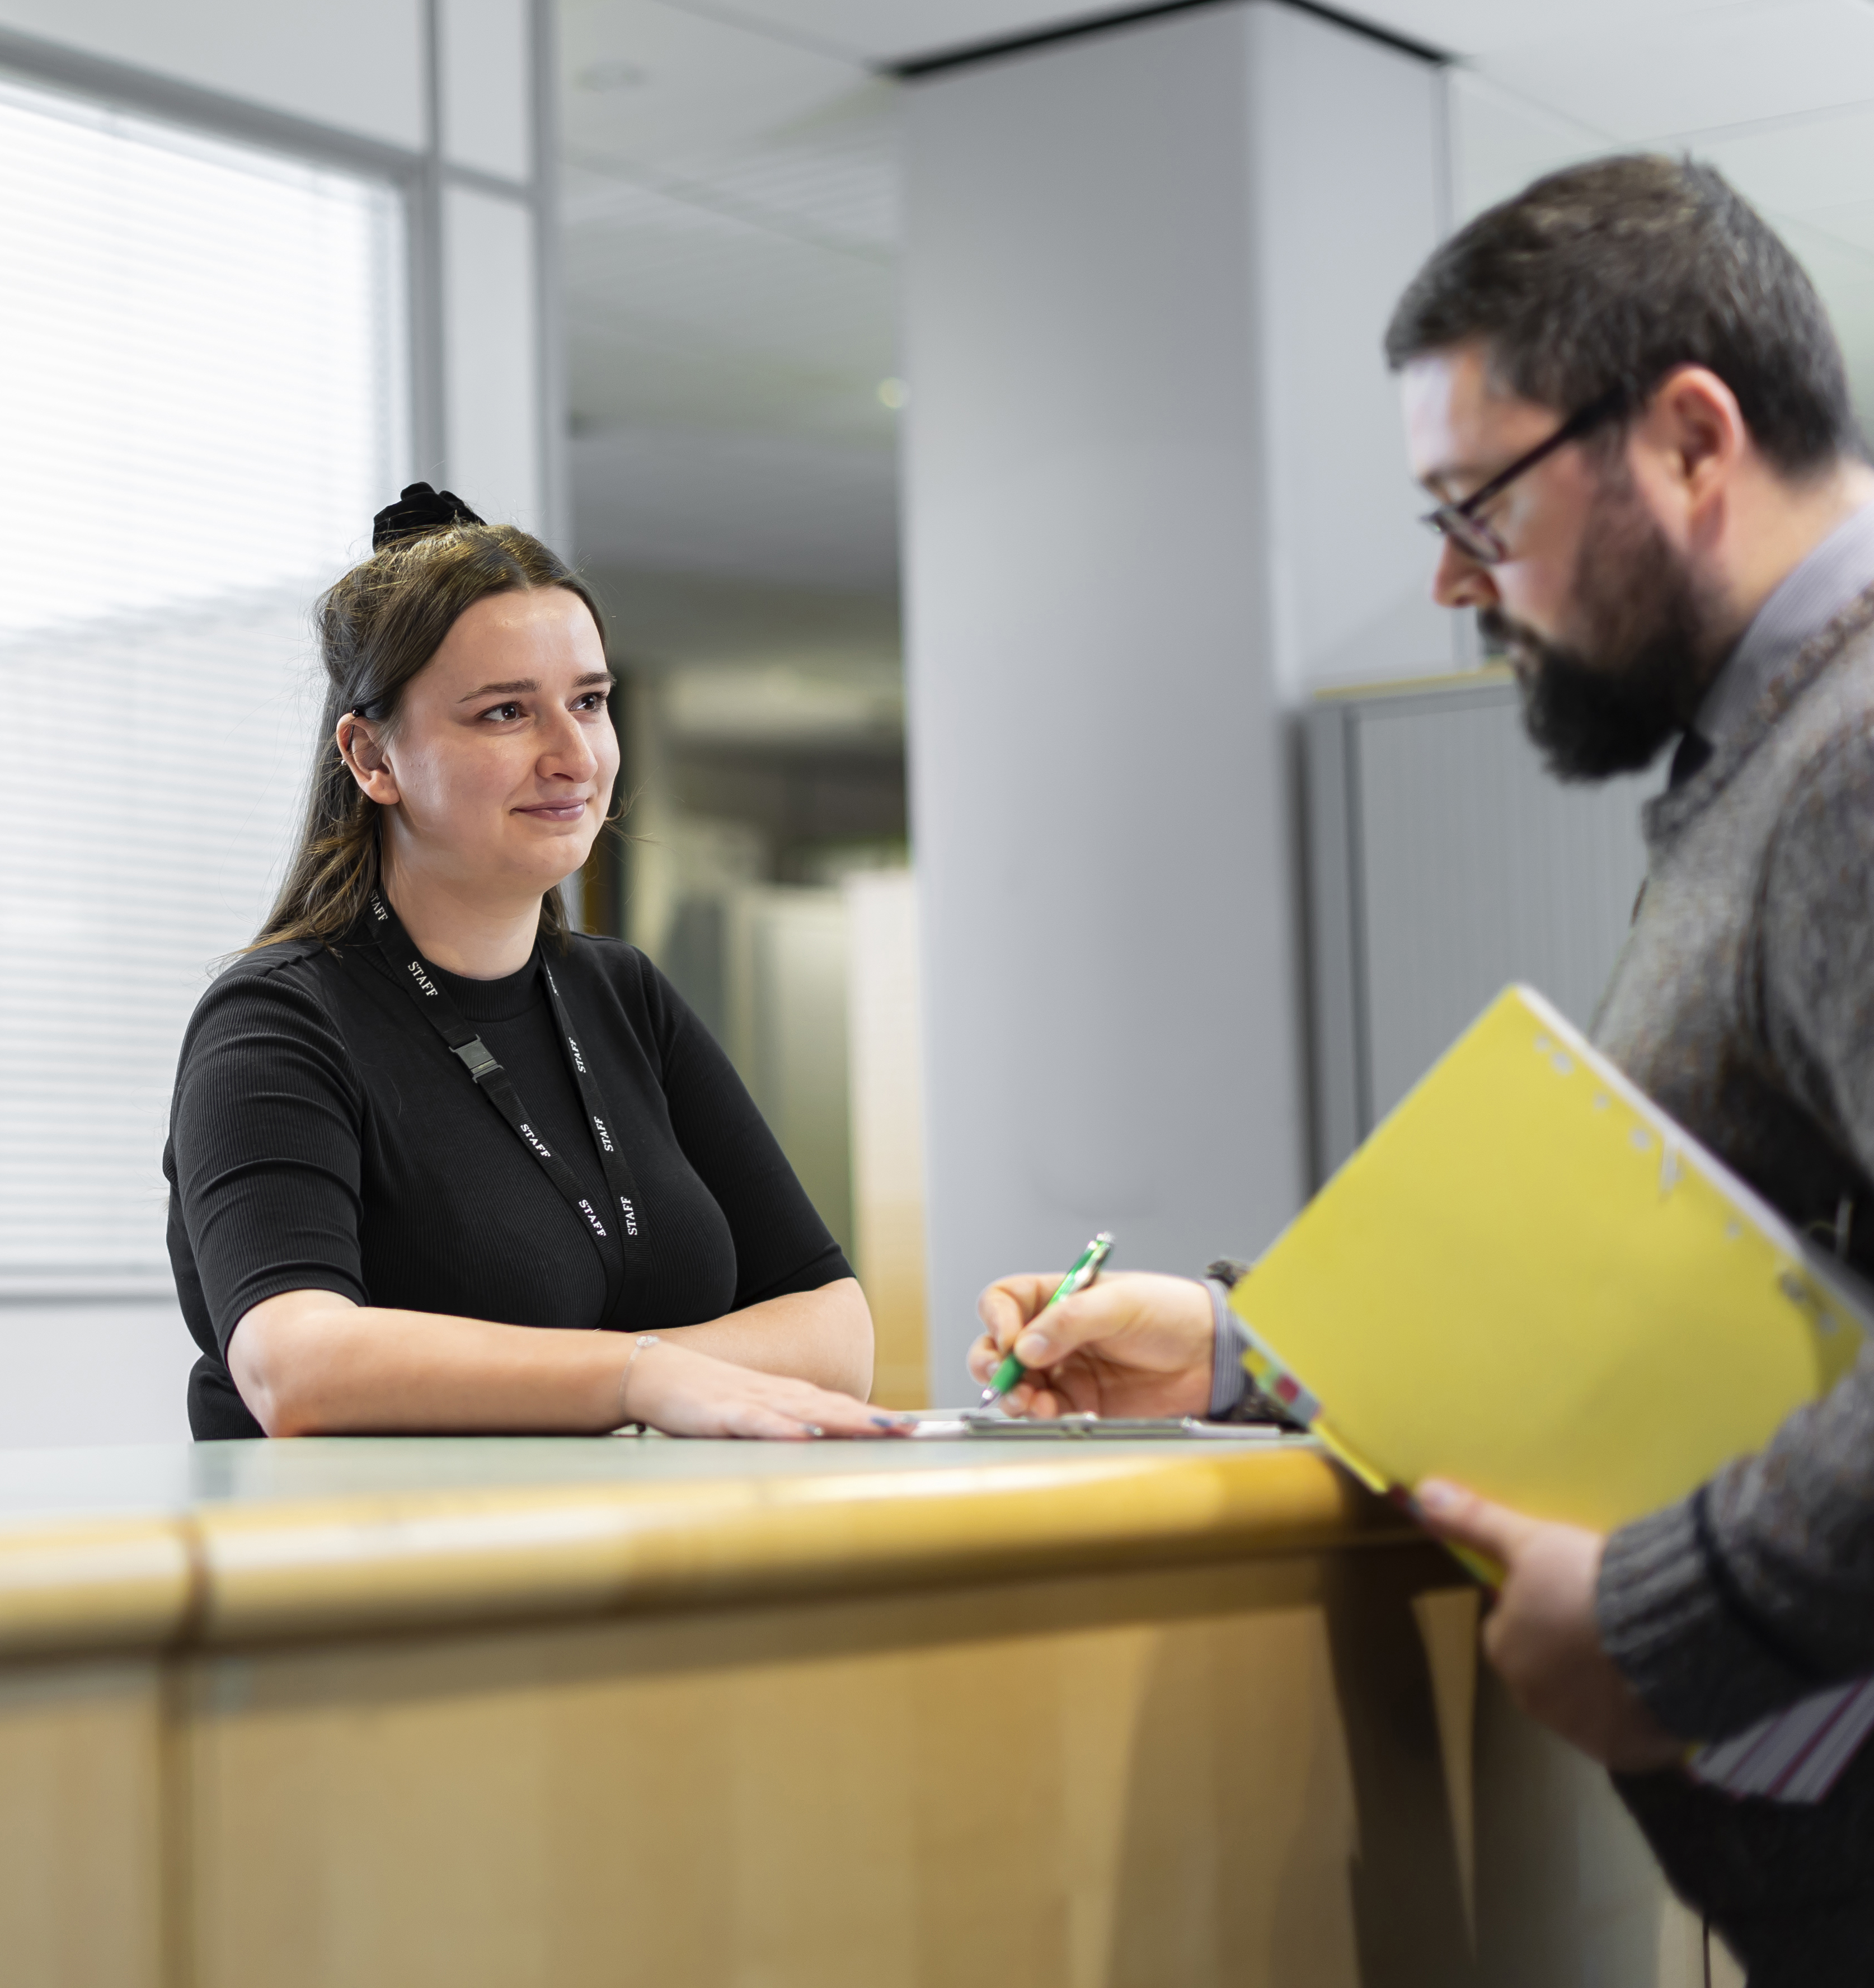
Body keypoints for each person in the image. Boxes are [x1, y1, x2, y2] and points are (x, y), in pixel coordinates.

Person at [965, 157, 1874, 1977]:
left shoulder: (1853, 766)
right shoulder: (1776, 765)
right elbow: (1654, 1283)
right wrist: (1247, 1346)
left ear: (1692, 436)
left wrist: (1659, 1610)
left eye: (1479, 502)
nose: (1458, 577)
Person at [164, 483, 909, 1443]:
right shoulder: (277, 1023)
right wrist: (636, 1377)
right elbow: (296, 1367)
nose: (573, 756)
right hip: (378, 1574)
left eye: (590, 703)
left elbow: (836, 1331)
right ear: (371, 757)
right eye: (506, 713)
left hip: (630, 1563)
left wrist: (634, 1376)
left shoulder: (622, 995)